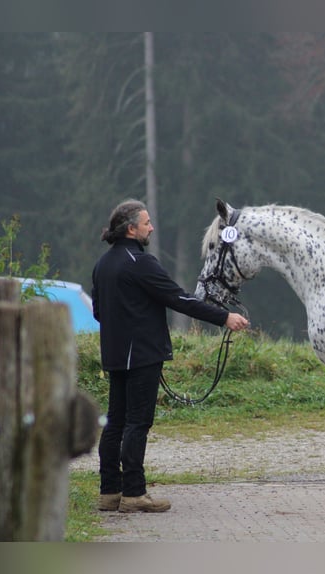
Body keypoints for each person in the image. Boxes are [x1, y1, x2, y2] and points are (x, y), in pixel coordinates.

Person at [92, 199, 249, 513]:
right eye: (147, 222)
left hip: (114, 354)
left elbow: (98, 312)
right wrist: (224, 317)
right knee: (138, 423)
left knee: (115, 423)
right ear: (132, 228)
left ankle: (110, 491)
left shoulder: (103, 264)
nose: (151, 227)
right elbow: (181, 300)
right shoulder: (141, 263)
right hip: (142, 356)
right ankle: (134, 493)